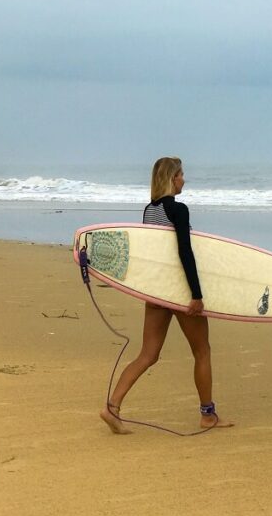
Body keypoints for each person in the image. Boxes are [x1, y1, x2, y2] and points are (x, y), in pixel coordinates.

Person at [99, 157, 233, 434]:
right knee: (202, 351)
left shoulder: (150, 211)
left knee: (148, 354)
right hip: (180, 293)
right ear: (173, 178)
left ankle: (112, 407)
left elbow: (153, 256)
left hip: (157, 291)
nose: (184, 179)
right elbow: (185, 252)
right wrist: (196, 294)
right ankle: (208, 415)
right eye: (182, 174)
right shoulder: (179, 210)